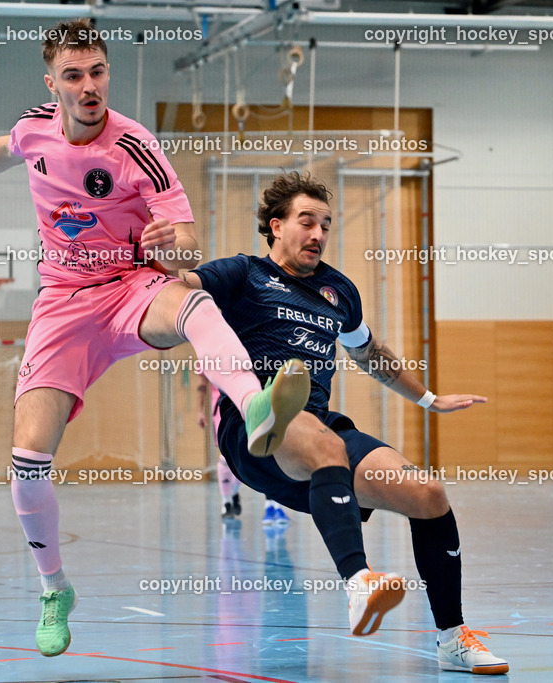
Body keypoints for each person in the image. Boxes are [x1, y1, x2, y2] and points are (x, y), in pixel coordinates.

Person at [0, 18, 310, 657]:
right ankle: (54, 588)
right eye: (73, 76)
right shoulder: (35, 128)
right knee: (26, 461)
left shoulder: (137, 147)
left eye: (98, 72)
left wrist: (173, 243)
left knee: (194, 300)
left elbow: (187, 236)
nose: (88, 87)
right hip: (61, 306)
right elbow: (6, 145)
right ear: (53, 83)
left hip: (131, 286)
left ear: (108, 73)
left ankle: (255, 406)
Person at [182, 171, 509, 675]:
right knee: (322, 445)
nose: (318, 234)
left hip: (317, 421)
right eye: (306, 222)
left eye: (326, 225)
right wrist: (160, 252)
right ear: (276, 226)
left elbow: (370, 352)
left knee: (427, 495)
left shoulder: (338, 290)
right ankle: (359, 584)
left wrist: (427, 398)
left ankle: (452, 640)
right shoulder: (242, 274)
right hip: (253, 425)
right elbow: (177, 288)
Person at [195, 375, 289, 525]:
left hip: (250, 404)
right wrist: (199, 411)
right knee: (227, 456)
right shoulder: (210, 355)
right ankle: (226, 502)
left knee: (254, 450)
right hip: (222, 409)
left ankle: (270, 505)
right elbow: (202, 383)